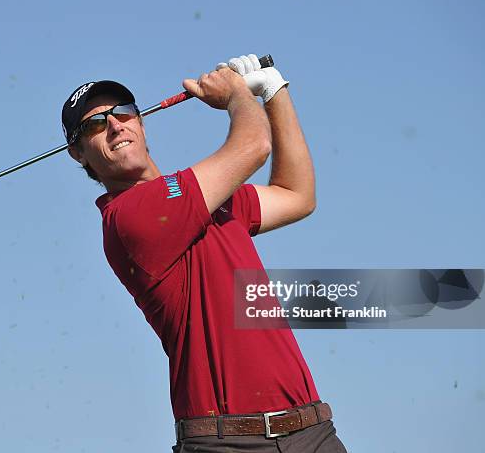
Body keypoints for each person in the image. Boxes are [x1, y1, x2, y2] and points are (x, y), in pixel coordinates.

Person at [61, 54, 347, 452]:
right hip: (226, 442)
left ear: (140, 122)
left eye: (123, 112)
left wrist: (274, 91)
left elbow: (297, 196)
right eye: (93, 124)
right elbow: (253, 145)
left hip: (312, 431)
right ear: (78, 153)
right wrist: (235, 95)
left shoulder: (208, 198)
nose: (114, 125)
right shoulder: (129, 215)